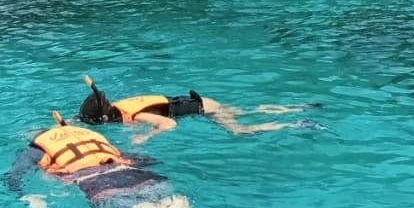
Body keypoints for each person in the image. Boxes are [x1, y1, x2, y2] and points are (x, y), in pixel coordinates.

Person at [4, 111, 287, 208]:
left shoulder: (35, 150)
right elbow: (145, 159)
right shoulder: (92, 135)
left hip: (100, 185)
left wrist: (30, 197)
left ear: (39, 137)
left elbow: (13, 180)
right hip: (138, 174)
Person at [78, 76, 320, 141]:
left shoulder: (138, 115)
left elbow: (169, 124)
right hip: (202, 101)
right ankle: (297, 107)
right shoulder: (120, 107)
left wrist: (146, 135)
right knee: (246, 110)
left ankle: (294, 123)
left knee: (240, 131)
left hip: (206, 109)